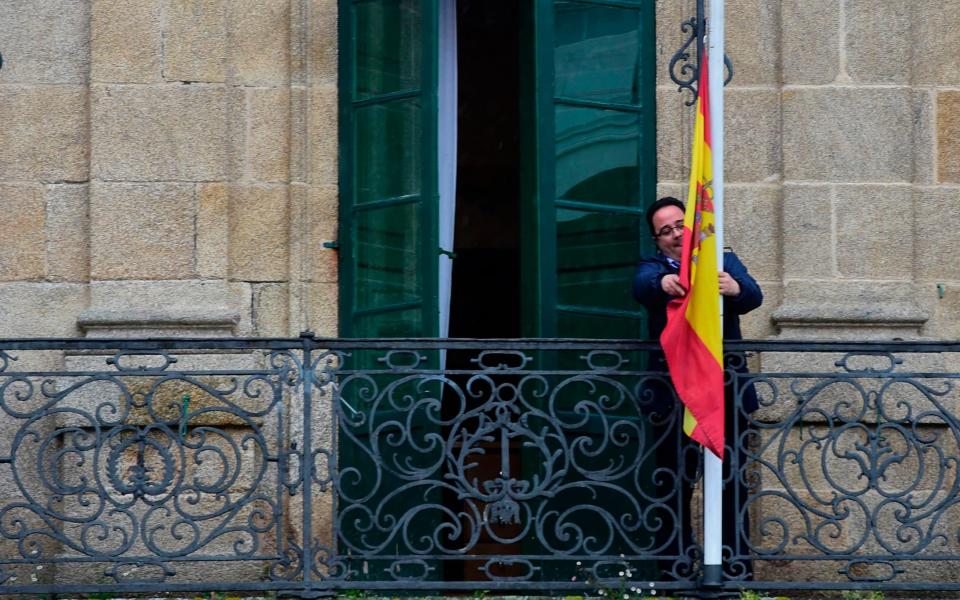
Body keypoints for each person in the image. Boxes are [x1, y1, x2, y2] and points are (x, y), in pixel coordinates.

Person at [632, 196, 762, 580]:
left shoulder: (723, 258)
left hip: (725, 392)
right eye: (665, 231)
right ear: (657, 241)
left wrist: (734, 287)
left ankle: (735, 572)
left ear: (692, 226)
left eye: (678, 226)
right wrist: (663, 282)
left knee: (731, 483)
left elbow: (754, 296)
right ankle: (672, 573)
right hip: (673, 396)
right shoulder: (653, 266)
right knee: (673, 484)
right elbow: (641, 287)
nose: (674, 234)